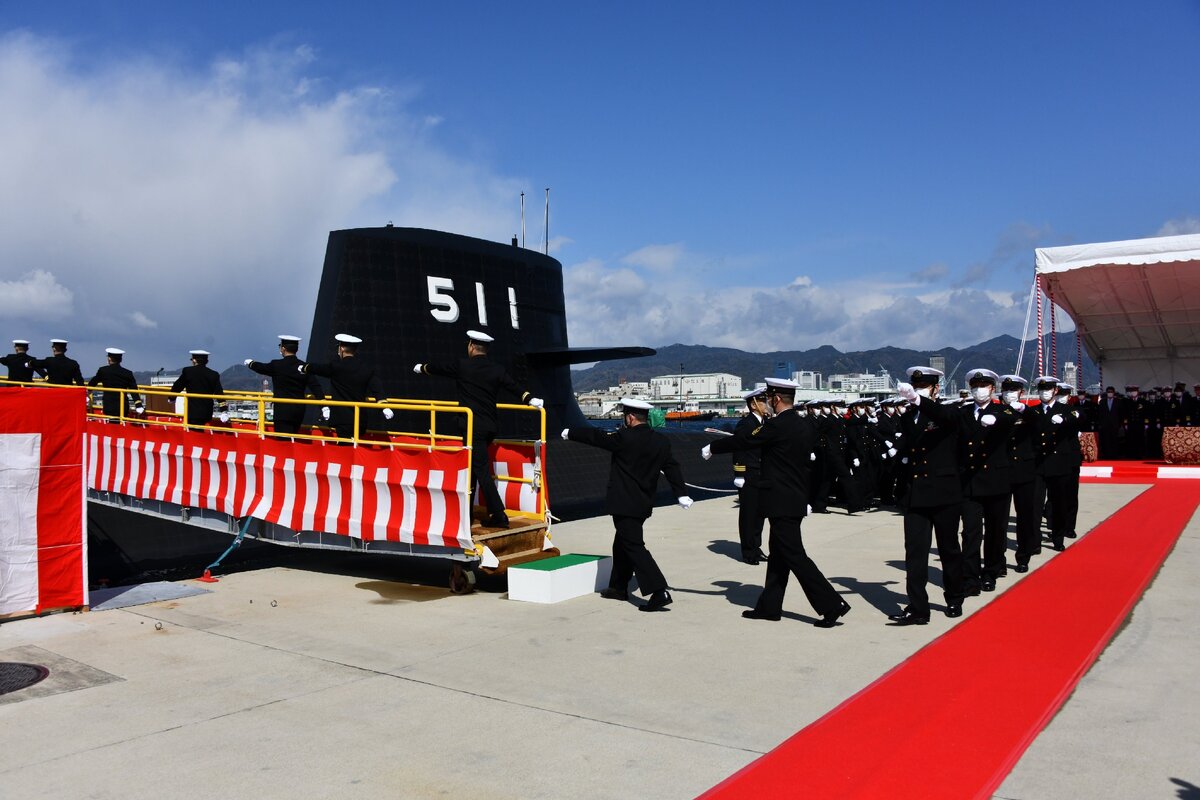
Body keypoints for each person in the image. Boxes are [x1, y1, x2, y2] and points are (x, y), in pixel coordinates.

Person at [704, 378, 851, 628]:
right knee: (779, 557)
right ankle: (769, 606)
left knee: (794, 555)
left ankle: (831, 604)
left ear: (776, 399)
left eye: (769, 398)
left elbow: (745, 441)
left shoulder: (778, 426)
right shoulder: (803, 425)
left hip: (781, 500)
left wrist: (712, 447)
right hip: (794, 496)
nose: (768, 402)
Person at [562, 398, 692, 611]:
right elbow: (672, 467)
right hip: (643, 503)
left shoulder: (624, 438)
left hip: (624, 503)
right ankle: (618, 587)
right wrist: (681, 494)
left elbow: (597, 437)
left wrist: (570, 433)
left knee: (633, 545)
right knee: (621, 542)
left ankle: (659, 591)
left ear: (630, 417)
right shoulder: (660, 441)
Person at [414, 330, 542, 529]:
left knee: (480, 470)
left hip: (472, 428)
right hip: (490, 427)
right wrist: (528, 398)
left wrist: (422, 368)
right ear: (486, 349)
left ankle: (499, 515)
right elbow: (513, 386)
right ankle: (466, 510)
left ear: (471, 346)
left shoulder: (463, 365)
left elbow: (440, 368)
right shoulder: (497, 370)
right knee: (473, 468)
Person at [888, 367, 967, 625]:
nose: (918, 389)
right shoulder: (909, 415)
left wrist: (919, 400)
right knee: (915, 554)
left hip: (944, 493)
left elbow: (946, 418)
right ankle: (918, 608)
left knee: (949, 549)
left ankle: (954, 597)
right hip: (916, 494)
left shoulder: (948, 411)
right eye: (915, 386)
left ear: (935, 389)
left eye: (923, 386)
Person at [957, 369, 1016, 594]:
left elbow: (1012, 419)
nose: (978, 390)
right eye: (975, 386)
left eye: (983, 385)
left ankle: (991, 571)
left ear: (992, 389)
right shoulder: (963, 413)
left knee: (995, 530)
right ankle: (970, 577)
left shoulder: (1002, 411)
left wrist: (997, 418)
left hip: (995, 480)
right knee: (970, 531)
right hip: (970, 482)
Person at [301, 334, 389, 441]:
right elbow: (377, 388)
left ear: (341, 348)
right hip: (359, 420)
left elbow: (319, 368)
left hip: (342, 420)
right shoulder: (366, 369)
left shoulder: (337, 366)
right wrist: (383, 405)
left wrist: (305, 368)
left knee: (345, 450)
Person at [1032, 376, 1081, 550]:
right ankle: (1035, 541)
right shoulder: (1034, 412)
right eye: (1041, 390)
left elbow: (1079, 418)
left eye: (1048, 389)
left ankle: (1058, 537)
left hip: (1059, 464)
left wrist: (1065, 420)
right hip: (1038, 465)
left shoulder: (1066, 410)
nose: (1044, 393)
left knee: (1059, 502)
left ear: (1055, 391)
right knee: (1035, 505)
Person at [245, 335, 325, 436]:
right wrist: (323, 405)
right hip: (298, 412)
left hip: (282, 412)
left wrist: (250, 363)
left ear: (283, 348)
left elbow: (261, 367)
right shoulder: (304, 367)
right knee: (293, 439)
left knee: (283, 443)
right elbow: (315, 387)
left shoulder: (276, 365)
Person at [999, 375, 1040, 572]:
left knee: (1025, 516)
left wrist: (1024, 410)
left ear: (1021, 393)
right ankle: (997, 561)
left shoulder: (1028, 413)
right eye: (1006, 390)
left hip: (1024, 470)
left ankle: (1023, 556)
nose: (1009, 394)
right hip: (1001, 470)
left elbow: (1038, 422)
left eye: (1013, 390)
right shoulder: (996, 411)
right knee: (998, 519)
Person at [731, 388, 770, 564]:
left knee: (760, 513)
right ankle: (748, 552)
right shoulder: (745, 424)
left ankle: (756, 546)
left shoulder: (765, 423)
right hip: (748, 474)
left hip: (762, 474)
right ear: (753, 405)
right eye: (762, 402)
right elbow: (739, 448)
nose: (766, 404)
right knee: (748, 514)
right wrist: (739, 473)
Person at [171, 350, 227, 428]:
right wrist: (224, 410)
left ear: (194, 360)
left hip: (192, 412)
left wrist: (172, 398)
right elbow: (219, 393)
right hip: (207, 412)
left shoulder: (188, 371)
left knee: (193, 435)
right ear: (207, 361)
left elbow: (178, 385)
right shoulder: (213, 374)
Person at [88, 348, 142, 420]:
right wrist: (138, 405)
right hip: (123, 407)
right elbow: (134, 390)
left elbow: (92, 383)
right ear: (121, 360)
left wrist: (87, 392)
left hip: (108, 406)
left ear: (109, 359)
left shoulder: (103, 371)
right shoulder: (127, 373)